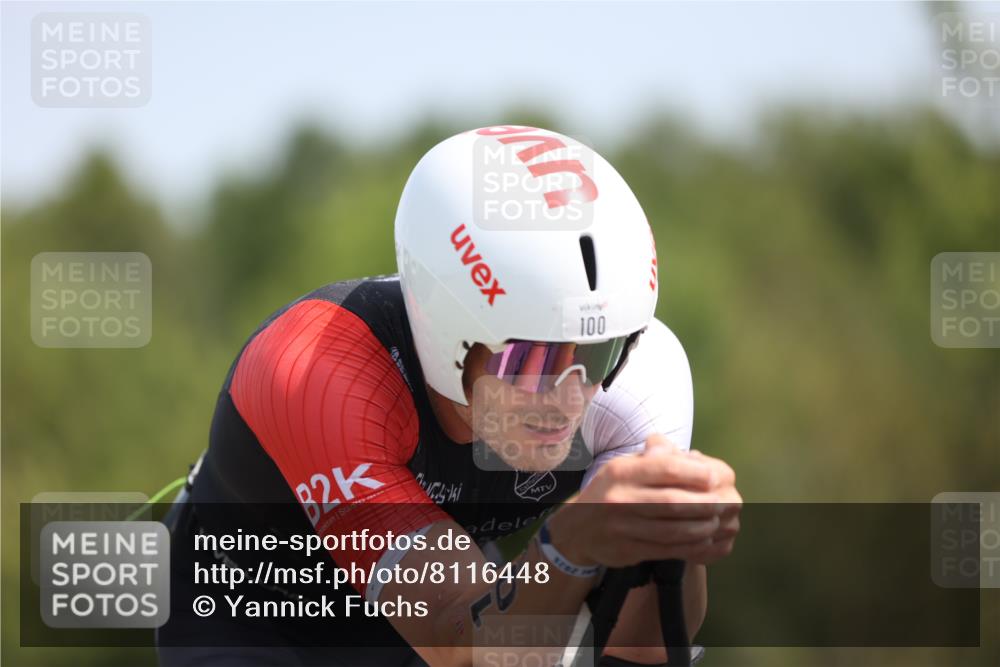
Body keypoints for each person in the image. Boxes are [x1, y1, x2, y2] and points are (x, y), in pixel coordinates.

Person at [157, 125, 741, 667]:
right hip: (255, 619)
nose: (569, 400)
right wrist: (570, 543)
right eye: (531, 361)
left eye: (597, 353)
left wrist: (679, 543)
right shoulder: (319, 374)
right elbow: (460, 643)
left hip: (451, 593)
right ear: (449, 334)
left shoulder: (642, 375)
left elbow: (636, 652)